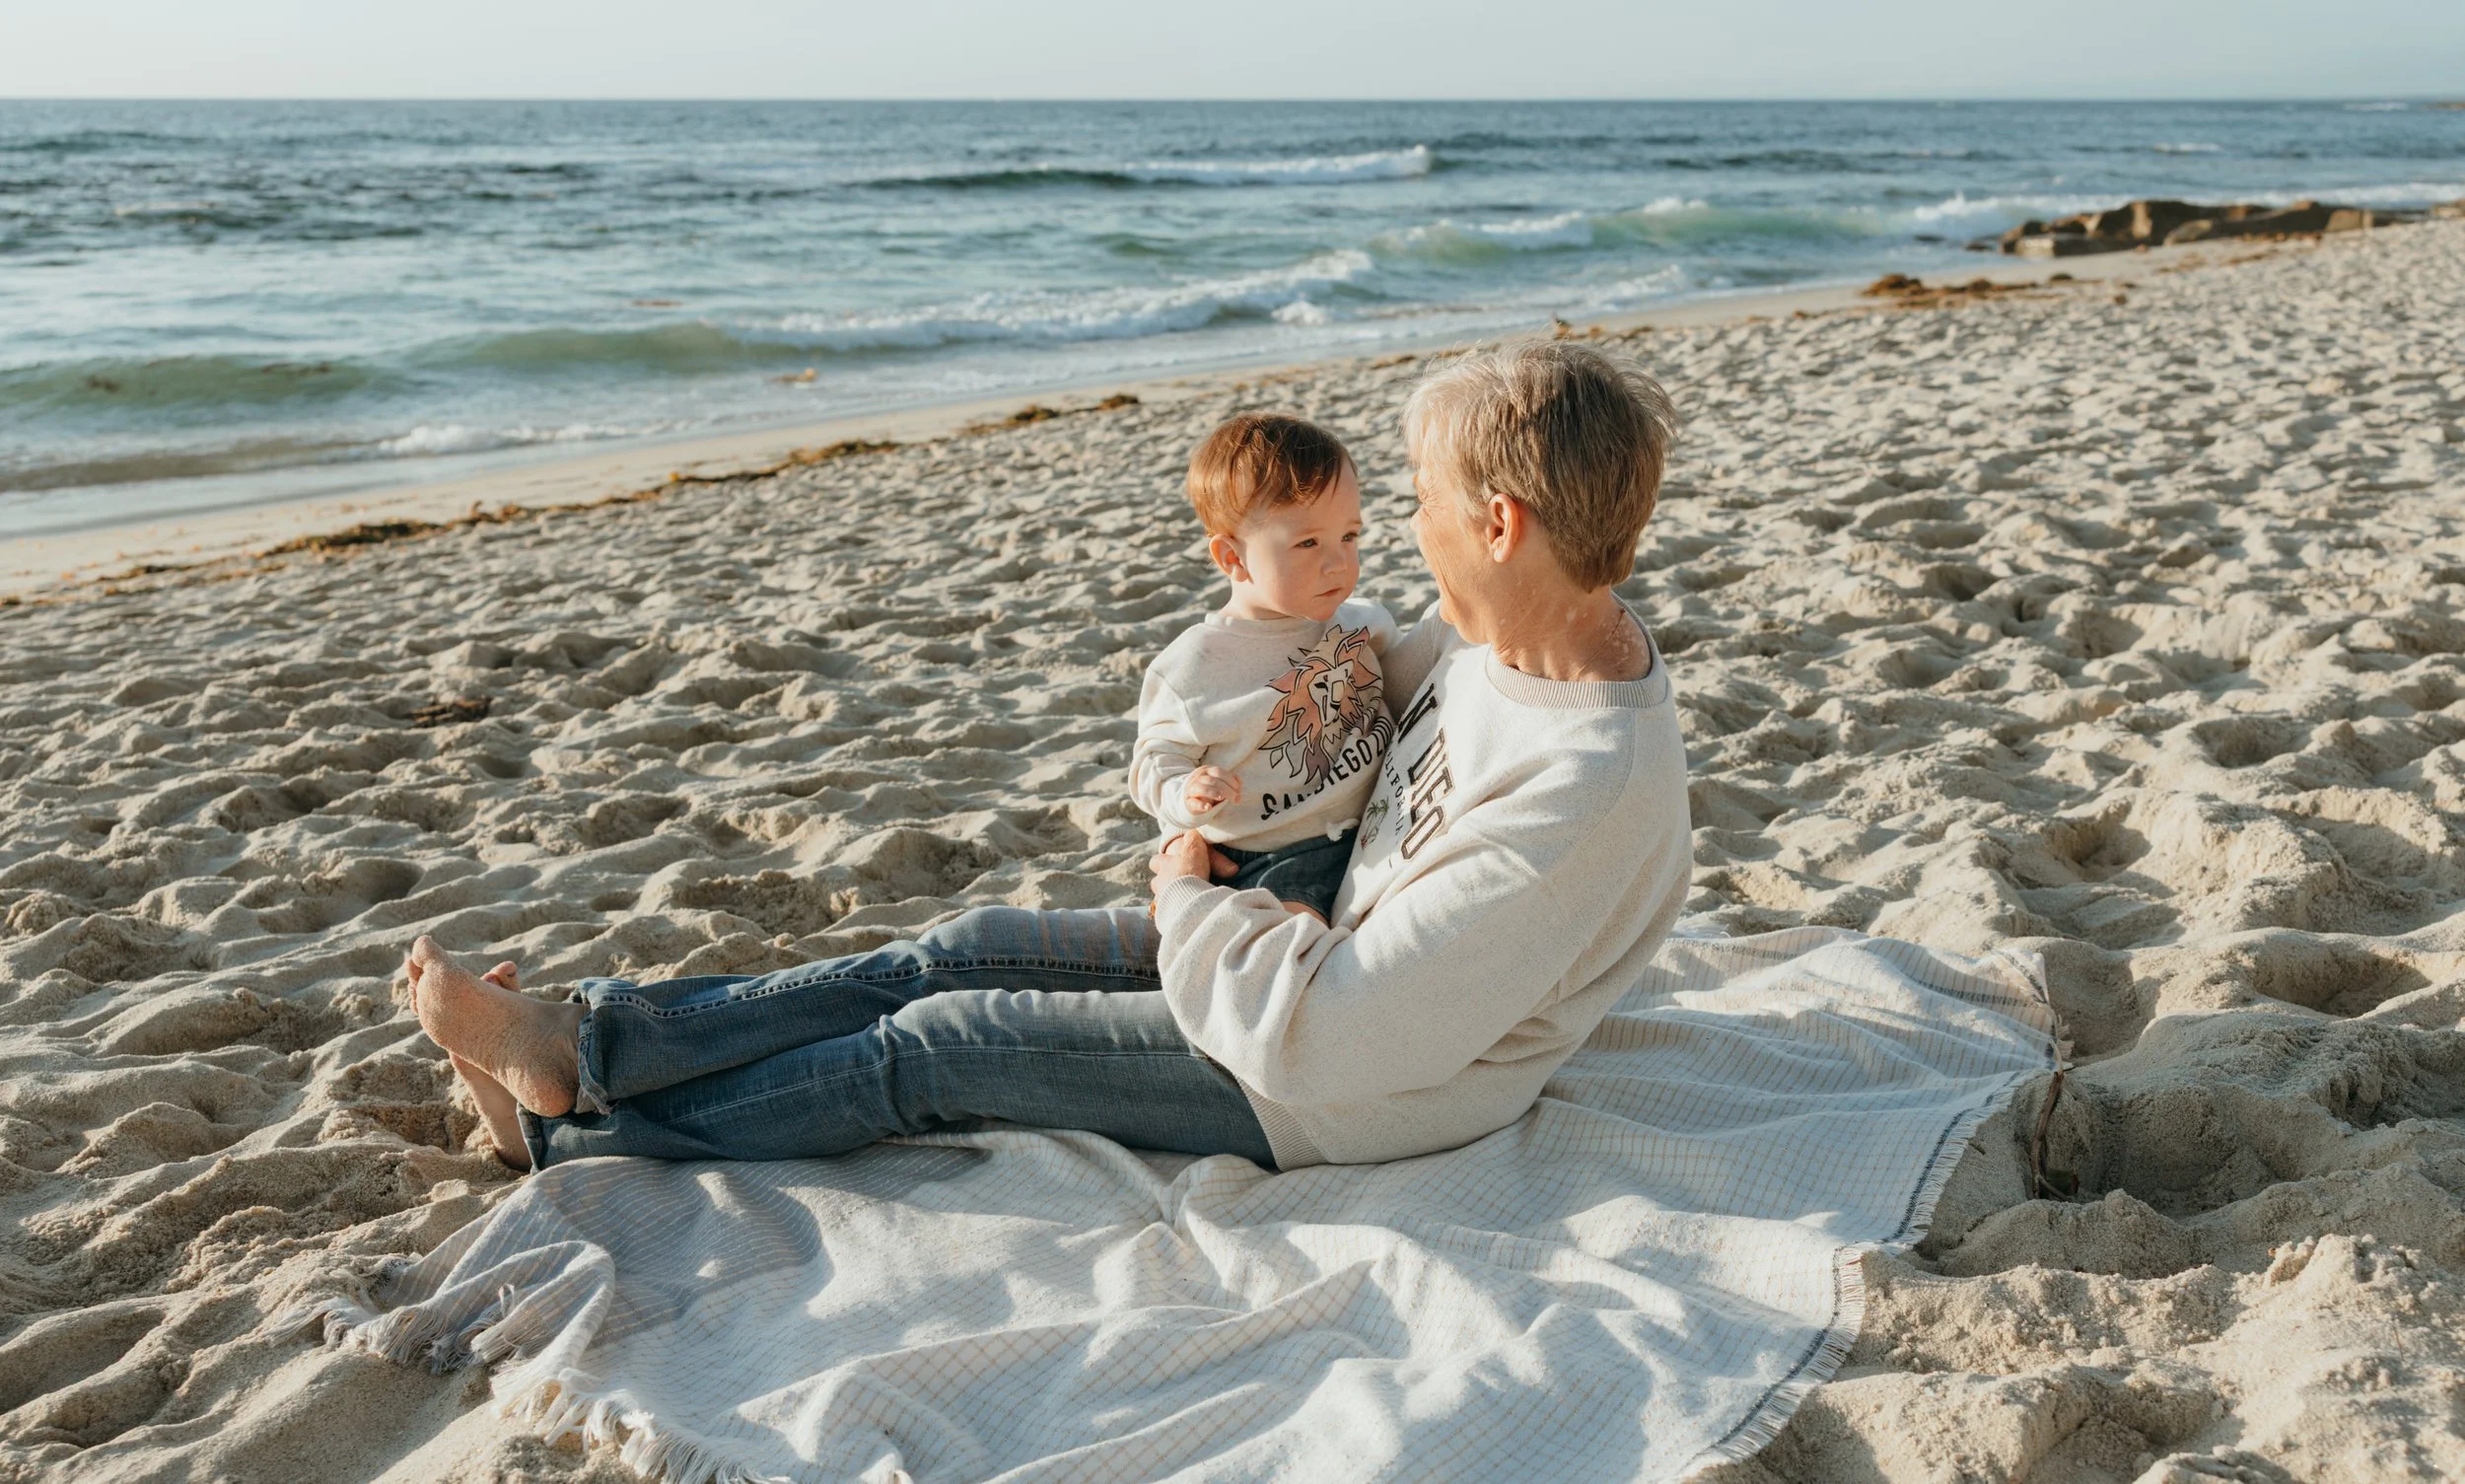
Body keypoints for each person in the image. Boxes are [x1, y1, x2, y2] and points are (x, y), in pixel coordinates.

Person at [404, 338, 1692, 1174]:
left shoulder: (1587, 790)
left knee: (943, 1044)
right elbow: (1347, 690)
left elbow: (1340, 1040)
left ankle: (572, 1139)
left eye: (1417, 502)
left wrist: (1188, 900)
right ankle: (594, 1041)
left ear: (1500, 524)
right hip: (1295, 939)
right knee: (955, 949)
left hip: (1336, 1086)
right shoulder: (1509, 638)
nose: (1405, 533)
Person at [1130, 412, 1399, 922]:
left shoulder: (1364, 624)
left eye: (1349, 536)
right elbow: (1153, 761)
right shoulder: (1194, 668)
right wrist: (1186, 794)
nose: (1339, 563)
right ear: (1232, 558)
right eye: (1308, 543)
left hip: (1374, 824)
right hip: (1270, 856)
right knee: (1294, 940)